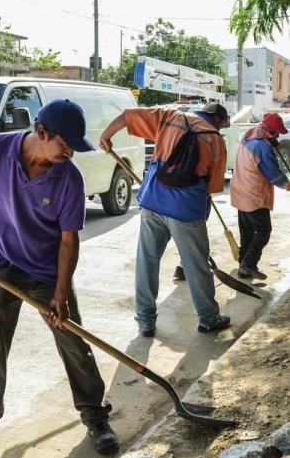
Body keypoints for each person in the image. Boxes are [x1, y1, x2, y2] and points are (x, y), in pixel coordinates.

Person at [0, 99, 119, 458]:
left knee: (73, 342)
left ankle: (95, 417)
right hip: (2, 266)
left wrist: (61, 294)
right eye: (65, 144)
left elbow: (69, 240)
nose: (69, 153)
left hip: (50, 272)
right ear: (42, 132)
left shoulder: (69, 177)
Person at [98, 103, 231, 337]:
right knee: (196, 265)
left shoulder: (171, 117)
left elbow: (128, 116)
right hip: (187, 210)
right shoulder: (216, 141)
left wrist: (106, 136)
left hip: (153, 202)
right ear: (218, 120)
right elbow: (213, 187)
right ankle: (209, 318)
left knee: (147, 261)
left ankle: (146, 321)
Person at [230, 113, 290, 280]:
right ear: (270, 130)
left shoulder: (249, 137)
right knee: (263, 231)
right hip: (254, 195)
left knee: (246, 231)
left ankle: (243, 264)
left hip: (240, 191)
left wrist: (270, 142)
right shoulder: (262, 146)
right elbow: (272, 172)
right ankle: (248, 264)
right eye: (276, 132)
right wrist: (289, 184)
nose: (277, 136)